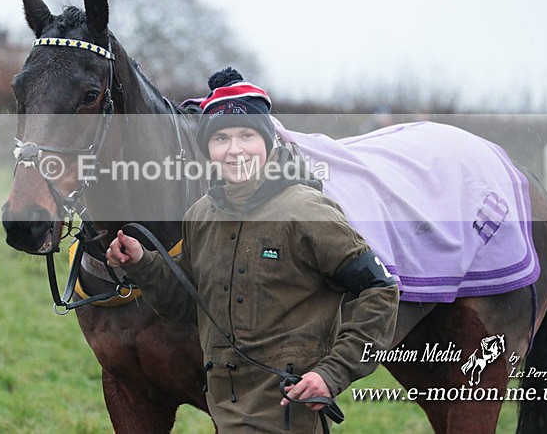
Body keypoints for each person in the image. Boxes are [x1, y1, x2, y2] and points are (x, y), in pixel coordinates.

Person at [106, 68, 400, 433]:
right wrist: (144, 265)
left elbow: (380, 289)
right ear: (208, 149)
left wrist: (331, 373)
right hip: (225, 414)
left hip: (290, 414)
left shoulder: (307, 211)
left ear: (268, 141)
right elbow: (188, 306)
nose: (234, 149)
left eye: (247, 135)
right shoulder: (200, 216)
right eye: (221, 138)